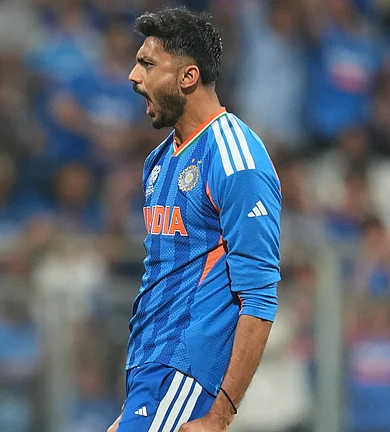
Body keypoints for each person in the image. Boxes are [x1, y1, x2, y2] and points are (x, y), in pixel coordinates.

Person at [108, 7, 282, 432]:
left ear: (188, 77)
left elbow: (259, 299)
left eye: (148, 64)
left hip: (184, 372)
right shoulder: (158, 161)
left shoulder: (237, 161)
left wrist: (219, 416)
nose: (133, 76)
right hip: (151, 374)